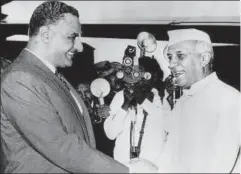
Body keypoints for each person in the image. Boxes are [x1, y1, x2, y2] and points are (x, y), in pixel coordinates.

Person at [0, 1, 139, 173]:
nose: (79, 47)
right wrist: (127, 171)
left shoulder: (50, 76)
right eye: (72, 37)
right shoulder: (20, 78)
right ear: (45, 34)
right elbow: (61, 145)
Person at [132, 28, 240, 173]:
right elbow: (170, 154)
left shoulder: (229, 98)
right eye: (170, 57)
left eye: (180, 56)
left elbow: (219, 167)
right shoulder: (183, 100)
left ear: (204, 59)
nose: (170, 64)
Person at [103, 56, 171, 166]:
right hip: (123, 166)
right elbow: (110, 133)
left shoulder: (163, 98)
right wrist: (124, 106)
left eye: (146, 74)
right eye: (136, 73)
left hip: (152, 168)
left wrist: (142, 100)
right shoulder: (121, 96)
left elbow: (167, 125)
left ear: (155, 76)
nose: (140, 77)